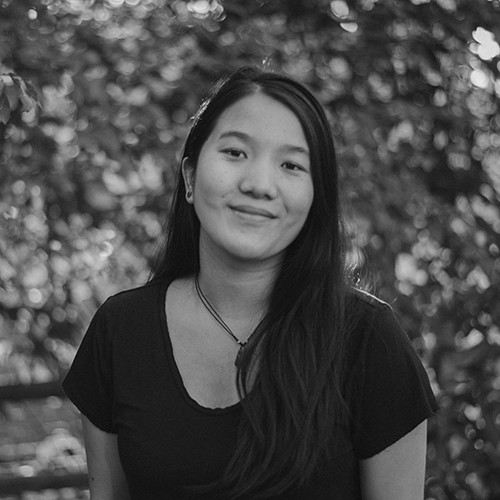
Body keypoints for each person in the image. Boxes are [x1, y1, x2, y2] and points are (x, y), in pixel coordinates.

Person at [63, 66, 439, 499]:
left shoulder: (367, 339)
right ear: (189, 177)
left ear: (316, 197)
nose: (259, 184)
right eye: (236, 153)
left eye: (291, 164)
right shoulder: (121, 330)